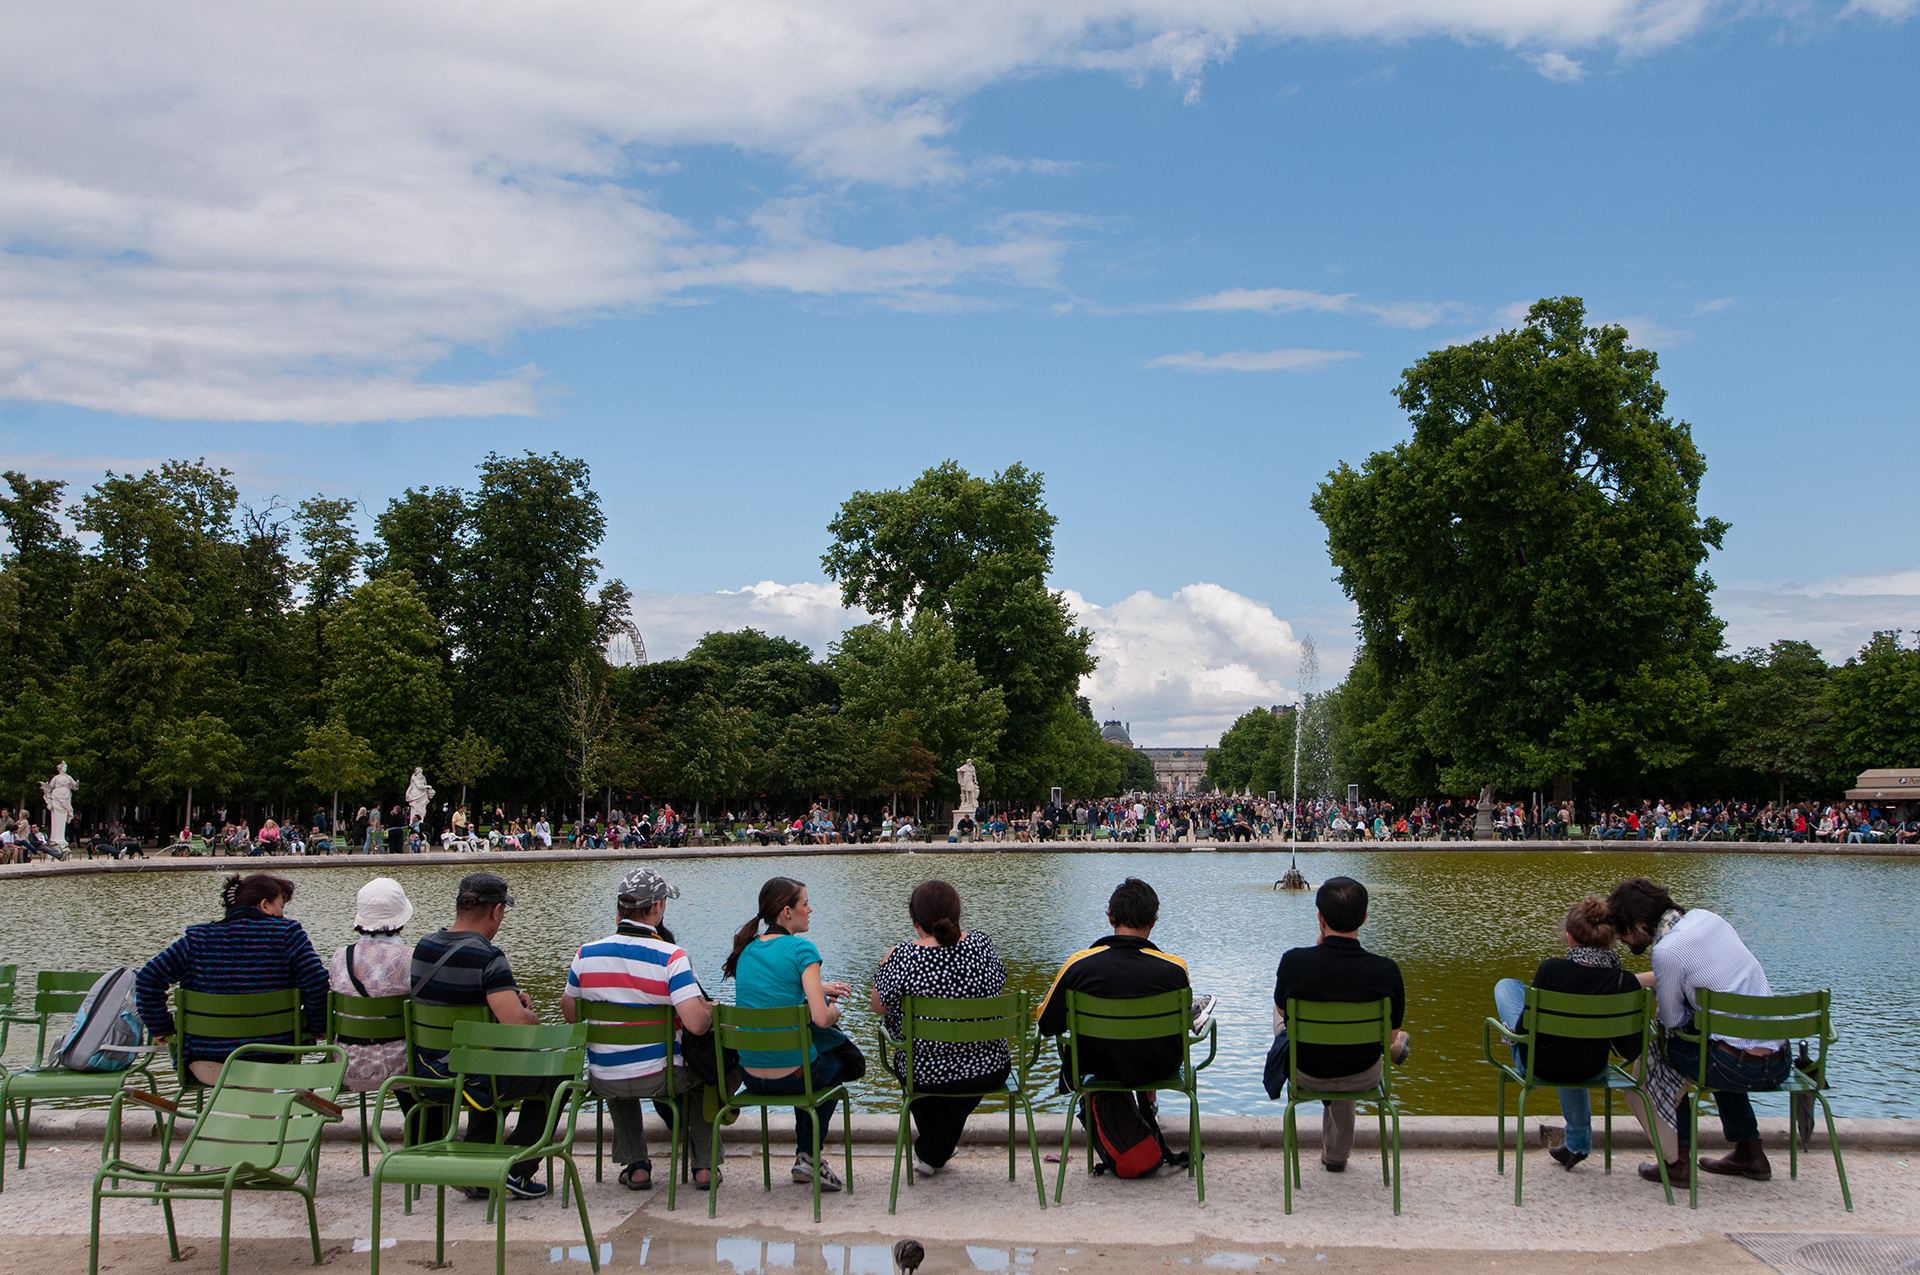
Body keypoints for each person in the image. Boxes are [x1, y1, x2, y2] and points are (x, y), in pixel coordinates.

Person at [1607, 876, 1789, 1188]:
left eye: (1622, 931)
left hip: (1732, 1066)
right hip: (1779, 1062)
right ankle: (1750, 1152)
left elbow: (1672, 1022)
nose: (1621, 939)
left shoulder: (1667, 951)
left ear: (1639, 924)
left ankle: (1678, 1161)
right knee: (1720, 1044)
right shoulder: (1709, 919)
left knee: (1662, 1054)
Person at [562, 868, 722, 1191]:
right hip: (662, 1076)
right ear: (656, 908)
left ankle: (637, 1166)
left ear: (620, 908)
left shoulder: (585, 955)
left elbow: (570, 1013)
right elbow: (695, 1024)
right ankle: (704, 1166)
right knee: (706, 1071)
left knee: (614, 1061)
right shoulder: (671, 957)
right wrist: (707, 1012)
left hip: (605, 1077)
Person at [410, 872, 554, 1199]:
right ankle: (517, 1168)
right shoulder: (488, 956)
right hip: (474, 1076)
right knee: (555, 1071)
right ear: (496, 911)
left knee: (484, 1055)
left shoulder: (423, 948)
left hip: (430, 1071)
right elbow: (517, 1027)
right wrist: (528, 1015)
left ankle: (477, 1164)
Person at [1491, 897, 1650, 1170]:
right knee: (1572, 1042)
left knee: (1507, 987)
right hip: (1591, 1067)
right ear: (1610, 939)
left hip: (1537, 1065)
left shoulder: (1550, 970)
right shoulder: (1622, 981)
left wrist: (1513, 1035)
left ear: (1569, 938)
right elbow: (1629, 1049)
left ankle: (1577, 1142)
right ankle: (1577, 1144)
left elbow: (1527, 1032)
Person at [723, 877, 854, 1192]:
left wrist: (817, 987)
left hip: (751, 1076)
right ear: (787, 912)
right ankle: (808, 1154)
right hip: (795, 1076)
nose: (810, 909)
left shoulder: (746, 950)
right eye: (805, 903)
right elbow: (821, 1019)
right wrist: (835, 1010)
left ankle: (807, 1156)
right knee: (838, 1064)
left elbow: (774, 985)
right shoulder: (802, 949)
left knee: (810, 1064)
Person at [870, 880, 1011, 1175]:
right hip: (987, 1067)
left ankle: (934, 1149)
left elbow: (879, 1006)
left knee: (910, 1056)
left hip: (923, 1071)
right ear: (957, 914)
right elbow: (999, 983)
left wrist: (885, 964)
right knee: (957, 1066)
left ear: (916, 923)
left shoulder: (903, 956)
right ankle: (937, 1148)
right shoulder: (981, 945)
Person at [135, 873, 330, 1085]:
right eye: (281, 906)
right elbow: (316, 983)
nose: (282, 913)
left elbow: (147, 979)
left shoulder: (197, 940)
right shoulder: (288, 934)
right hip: (275, 1058)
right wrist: (318, 1027)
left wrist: (161, 1027)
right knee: (264, 1083)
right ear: (265, 905)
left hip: (208, 1064)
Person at [1270, 877, 1409, 1173]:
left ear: (1320, 918)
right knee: (1354, 1046)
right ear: (1365, 918)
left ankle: (1334, 1152)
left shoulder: (1294, 962)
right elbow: (1386, 1037)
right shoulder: (1387, 971)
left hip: (1305, 1071)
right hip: (1362, 1075)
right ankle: (1335, 1154)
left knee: (1282, 1012)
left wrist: (1318, 951)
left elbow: (1283, 1012)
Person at [1036, 877, 1190, 1089]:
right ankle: (1147, 1105)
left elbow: (1046, 1024)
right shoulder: (1175, 969)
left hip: (1096, 1064)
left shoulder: (1078, 965)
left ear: (1111, 917)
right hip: (1158, 1066)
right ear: (1154, 920)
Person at [328, 878, 418, 1102]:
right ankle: (421, 1134)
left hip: (347, 1063)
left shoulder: (340, 956)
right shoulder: (412, 958)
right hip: (402, 1068)